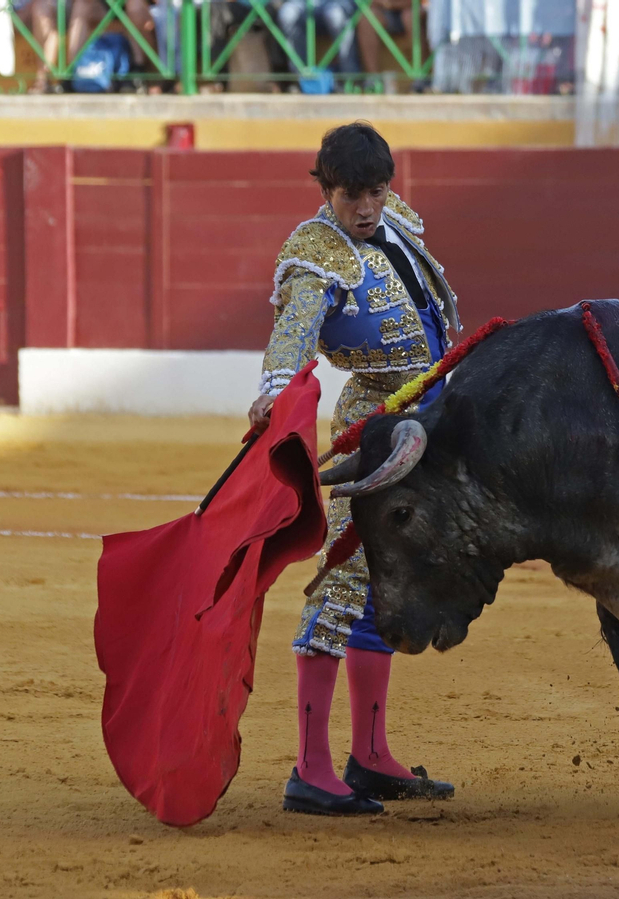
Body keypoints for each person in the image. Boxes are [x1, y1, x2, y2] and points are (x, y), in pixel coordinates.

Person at [251, 122, 457, 816]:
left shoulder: (398, 220)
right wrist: (277, 390)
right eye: (349, 196)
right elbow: (294, 331)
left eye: (374, 191)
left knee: (384, 585)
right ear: (325, 190)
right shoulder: (315, 254)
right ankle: (309, 767)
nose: (365, 209)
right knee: (338, 584)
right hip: (372, 428)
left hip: (428, 420)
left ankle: (369, 755)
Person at [277, 0, 360, 86]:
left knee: (335, 15)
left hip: (338, 3)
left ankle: (351, 78)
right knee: (287, 14)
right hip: (303, 3)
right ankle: (301, 79)